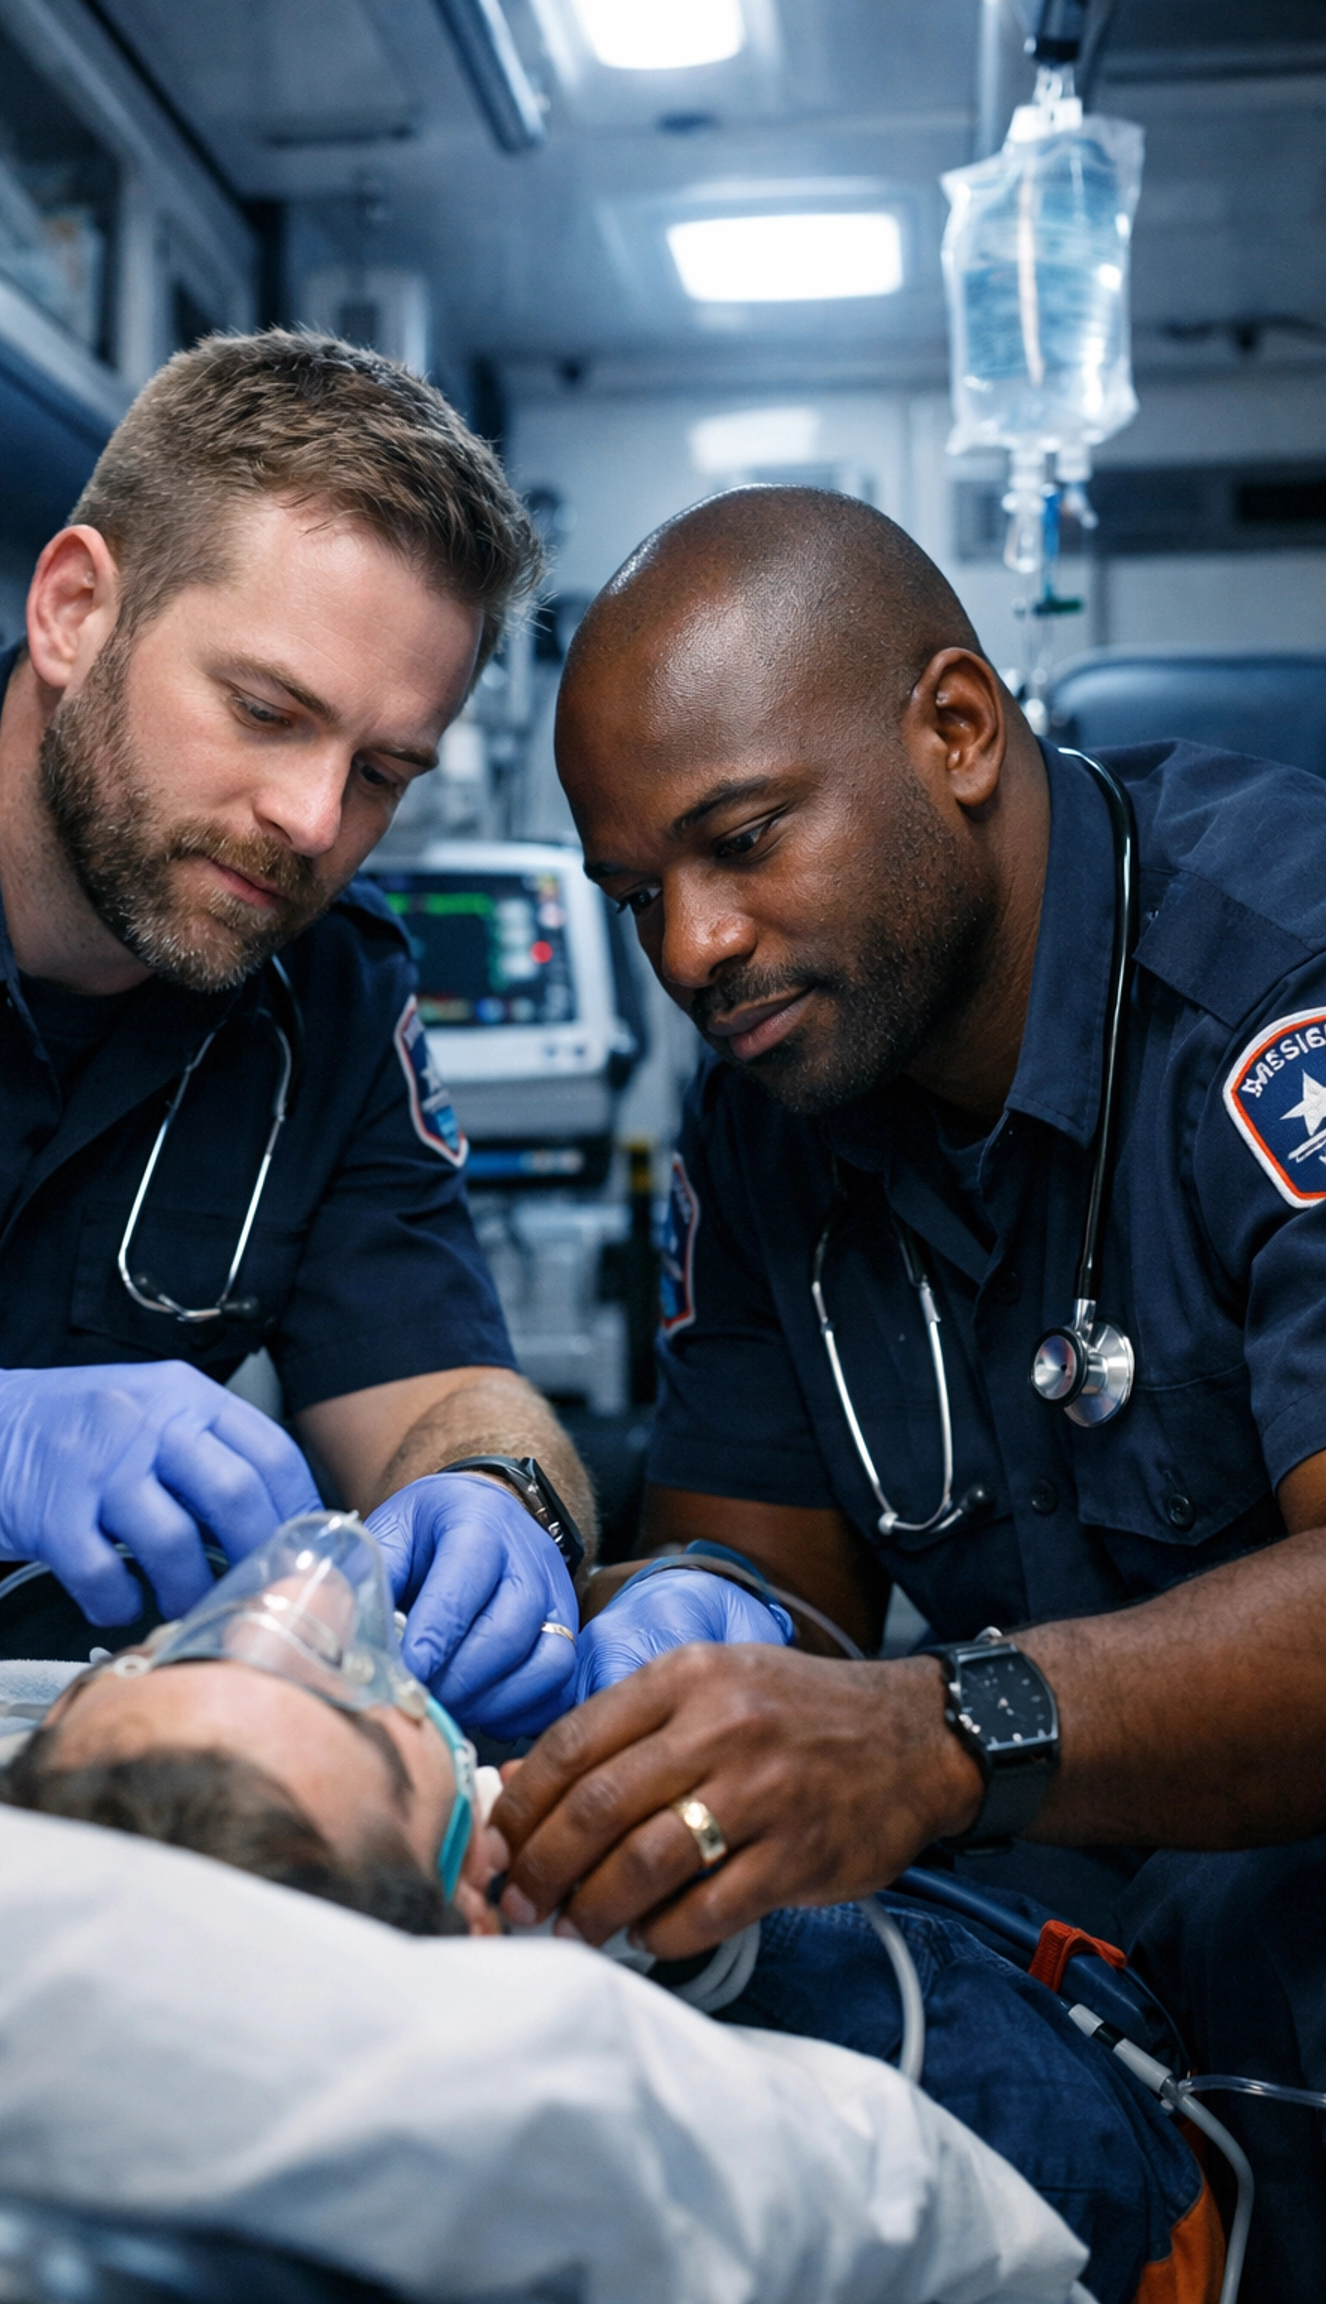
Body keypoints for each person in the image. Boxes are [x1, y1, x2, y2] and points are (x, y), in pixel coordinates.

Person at [486, 485, 1326, 2298]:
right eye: (635, 896)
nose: (690, 949)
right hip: (1084, 1947)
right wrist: (660, 1658)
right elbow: (763, 1592)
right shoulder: (776, 1105)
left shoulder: (1278, 987)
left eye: (740, 840)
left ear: (955, 730)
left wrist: (937, 1729)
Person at [0, 328, 591, 1740]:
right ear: (75, 611)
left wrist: (498, 1491)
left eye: (383, 772)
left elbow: (444, 1391)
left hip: (66, 1768)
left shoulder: (333, 997)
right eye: (266, 711)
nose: (315, 821)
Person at [0, 1515, 1217, 2304]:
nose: (303, 1597)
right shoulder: (969, 2115)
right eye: (363, 1701)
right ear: (485, 1903)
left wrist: (682, 1576)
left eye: (165, 1650)